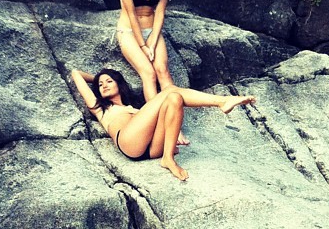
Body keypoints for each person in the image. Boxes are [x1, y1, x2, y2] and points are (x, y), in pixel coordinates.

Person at [71, 68, 256, 181]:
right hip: (129, 143)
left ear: (119, 84)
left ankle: (167, 158)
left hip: (152, 149)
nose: (103, 85)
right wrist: (98, 78)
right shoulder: (100, 108)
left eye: (109, 81)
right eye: (100, 84)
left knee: (174, 98)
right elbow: (76, 73)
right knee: (170, 90)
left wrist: (173, 135)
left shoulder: (136, 108)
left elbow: (165, 116)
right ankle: (222, 101)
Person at [116, 0, 189, 144]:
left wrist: (153, 40)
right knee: (148, 73)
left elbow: (160, 11)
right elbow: (131, 14)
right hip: (129, 32)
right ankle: (161, 125)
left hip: (152, 30)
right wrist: (143, 45)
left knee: (163, 71)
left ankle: (176, 127)